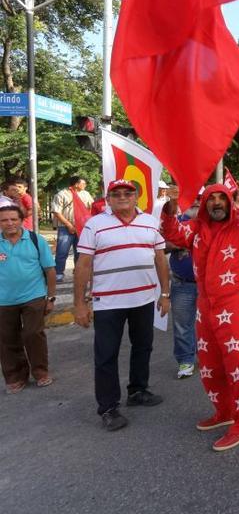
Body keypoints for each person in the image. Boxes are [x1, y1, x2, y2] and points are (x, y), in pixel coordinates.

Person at [160, 181, 239, 451]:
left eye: (221, 199)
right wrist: (172, 205)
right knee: (211, 365)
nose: (217, 204)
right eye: (211, 200)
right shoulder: (196, 230)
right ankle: (224, 411)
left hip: (234, 304)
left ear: (229, 202)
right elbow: (172, 232)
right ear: (205, 205)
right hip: (205, 305)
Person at [73, 179, 170, 431]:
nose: (123, 196)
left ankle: (138, 391)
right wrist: (79, 304)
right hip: (108, 302)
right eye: (116, 193)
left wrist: (165, 293)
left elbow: (160, 259)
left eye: (128, 192)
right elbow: (83, 266)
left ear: (137, 196)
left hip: (144, 299)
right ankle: (108, 407)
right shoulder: (95, 225)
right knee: (106, 355)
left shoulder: (150, 221)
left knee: (143, 347)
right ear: (108, 198)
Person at [0, 202, 56, 393]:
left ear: (22, 221)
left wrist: (51, 298)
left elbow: (49, 270)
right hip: (3, 301)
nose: (9, 223)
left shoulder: (35, 239)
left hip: (34, 296)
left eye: (13, 219)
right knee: (7, 339)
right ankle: (15, 377)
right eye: (4, 220)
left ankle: (41, 372)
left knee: (34, 335)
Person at [168, 195, 199, 379]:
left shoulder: (213, 224)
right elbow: (161, 245)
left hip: (208, 284)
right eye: (191, 197)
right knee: (182, 325)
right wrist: (178, 242)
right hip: (182, 283)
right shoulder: (175, 223)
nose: (194, 201)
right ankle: (185, 360)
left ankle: (208, 356)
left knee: (210, 324)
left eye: (199, 198)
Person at [51, 176, 93, 282]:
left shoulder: (86, 194)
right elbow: (56, 211)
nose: (85, 185)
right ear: (76, 184)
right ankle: (59, 273)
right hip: (65, 226)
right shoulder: (62, 194)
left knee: (80, 251)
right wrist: (69, 225)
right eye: (83, 183)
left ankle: (79, 271)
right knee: (62, 251)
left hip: (81, 227)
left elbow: (91, 207)